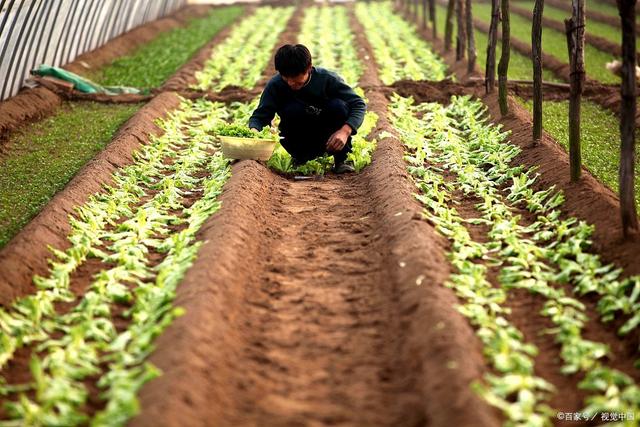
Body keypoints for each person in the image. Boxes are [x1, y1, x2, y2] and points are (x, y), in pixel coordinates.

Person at [249, 44, 367, 174]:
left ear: (309, 68)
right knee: (292, 109)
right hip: (298, 140)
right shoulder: (275, 85)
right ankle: (300, 159)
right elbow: (260, 117)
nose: (290, 83)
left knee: (339, 106)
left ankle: (341, 160)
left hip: (332, 140)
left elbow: (358, 104)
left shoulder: (327, 79)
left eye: (296, 79)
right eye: (286, 78)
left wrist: (345, 131)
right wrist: (254, 133)